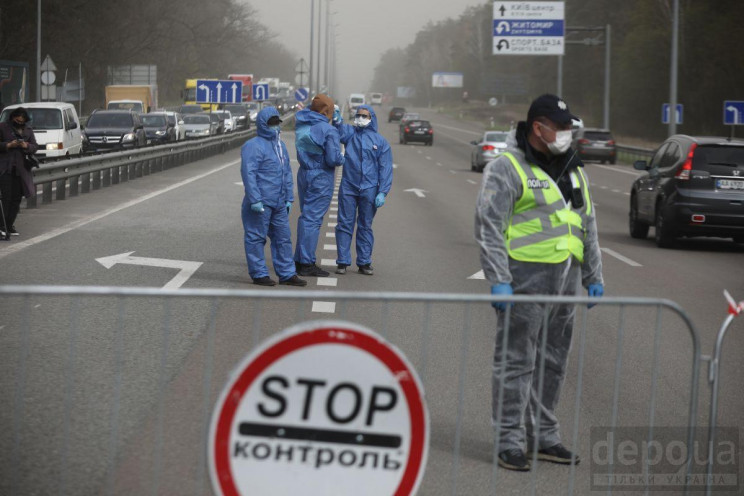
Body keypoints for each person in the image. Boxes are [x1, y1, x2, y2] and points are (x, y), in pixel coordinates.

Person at [474, 94, 604, 471]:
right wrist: (499, 280)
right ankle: (509, 441)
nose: (566, 134)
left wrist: (594, 275)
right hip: (523, 279)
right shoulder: (507, 168)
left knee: (553, 362)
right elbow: (489, 227)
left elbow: (587, 226)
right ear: (538, 128)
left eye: (568, 128)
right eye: (560, 128)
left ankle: (543, 437)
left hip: (567, 282)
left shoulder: (575, 170)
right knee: (516, 362)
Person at [240, 106, 306, 287]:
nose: (276, 126)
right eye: (272, 123)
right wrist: (255, 199)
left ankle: (286, 273)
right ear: (263, 124)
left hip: (277, 201)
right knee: (256, 237)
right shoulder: (253, 146)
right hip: (260, 201)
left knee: (283, 238)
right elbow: (249, 174)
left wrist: (288, 197)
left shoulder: (280, 146)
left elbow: (286, 172)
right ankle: (259, 273)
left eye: (278, 122)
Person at [332, 104, 392, 275]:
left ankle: (364, 262)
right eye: (358, 115)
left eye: (364, 116)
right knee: (344, 224)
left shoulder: (380, 142)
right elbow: (340, 130)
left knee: (365, 225)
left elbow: (385, 168)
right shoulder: (351, 134)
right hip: (349, 186)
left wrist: (382, 191)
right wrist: (337, 120)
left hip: (370, 189)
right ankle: (342, 261)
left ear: (371, 118)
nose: (360, 118)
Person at [293, 94, 345, 277]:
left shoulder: (301, 124)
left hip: (304, 173)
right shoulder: (328, 130)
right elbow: (333, 159)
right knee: (313, 220)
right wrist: (342, 158)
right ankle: (307, 263)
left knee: (305, 217)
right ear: (328, 111)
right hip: (321, 176)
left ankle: (299, 259)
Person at [0, 107, 38, 238]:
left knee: (16, 199)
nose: (19, 123)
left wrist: (25, 146)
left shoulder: (28, 129)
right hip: (5, 169)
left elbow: (35, 146)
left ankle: (9, 225)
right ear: (12, 118)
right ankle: (2, 226)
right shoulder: (3, 127)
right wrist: (8, 145)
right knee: (6, 198)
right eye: (17, 120)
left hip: (21, 170)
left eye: (22, 121)